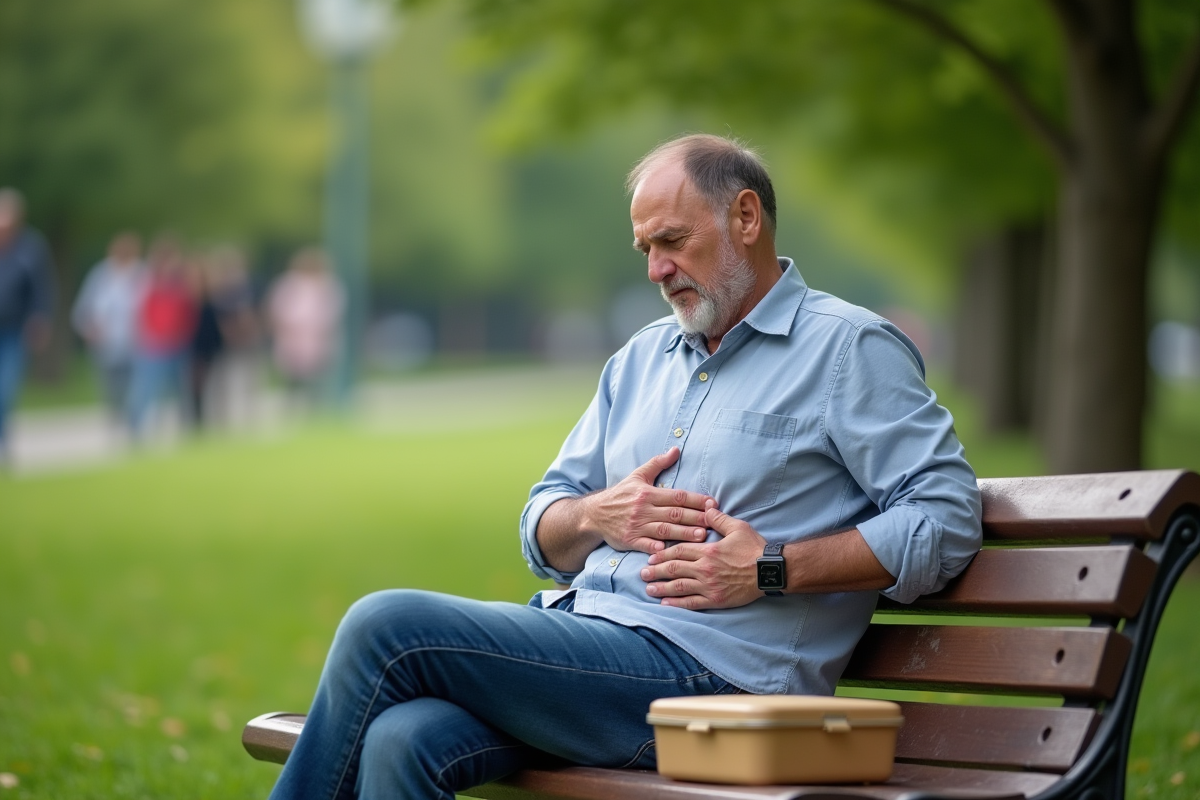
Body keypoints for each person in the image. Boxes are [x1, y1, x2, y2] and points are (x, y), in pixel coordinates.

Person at [267, 134, 982, 800]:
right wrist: (592, 515)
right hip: (588, 642)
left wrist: (771, 566)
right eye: (646, 248)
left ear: (745, 217)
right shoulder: (640, 358)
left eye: (673, 241)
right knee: (403, 737)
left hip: (716, 680)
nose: (656, 270)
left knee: (384, 624)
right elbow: (542, 523)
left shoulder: (848, 349)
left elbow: (945, 520)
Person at [0, 188, 54, 464]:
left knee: (5, 388)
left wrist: (40, 319)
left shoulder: (31, 248)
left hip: (13, 330)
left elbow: (41, 289)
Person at [71, 231, 148, 424]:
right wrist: (89, 328)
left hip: (137, 342)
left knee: (134, 386)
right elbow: (84, 308)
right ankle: (118, 418)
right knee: (111, 388)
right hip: (105, 343)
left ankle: (134, 423)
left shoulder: (142, 275)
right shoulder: (101, 275)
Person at [126, 236, 196, 436]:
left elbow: (187, 313)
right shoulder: (147, 281)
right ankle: (136, 429)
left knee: (178, 392)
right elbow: (140, 313)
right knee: (145, 390)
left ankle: (178, 429)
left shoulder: (180, 283)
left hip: (177, 343)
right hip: (154, 344)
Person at [265, 247, 343, 406]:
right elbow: (277, 310)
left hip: (317, 338)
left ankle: (314, 406)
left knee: (317, 376)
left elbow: (332, 313)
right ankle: (293, 405)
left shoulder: (327, 285)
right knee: (293, 377)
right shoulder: (289, 284)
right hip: (292, 336)